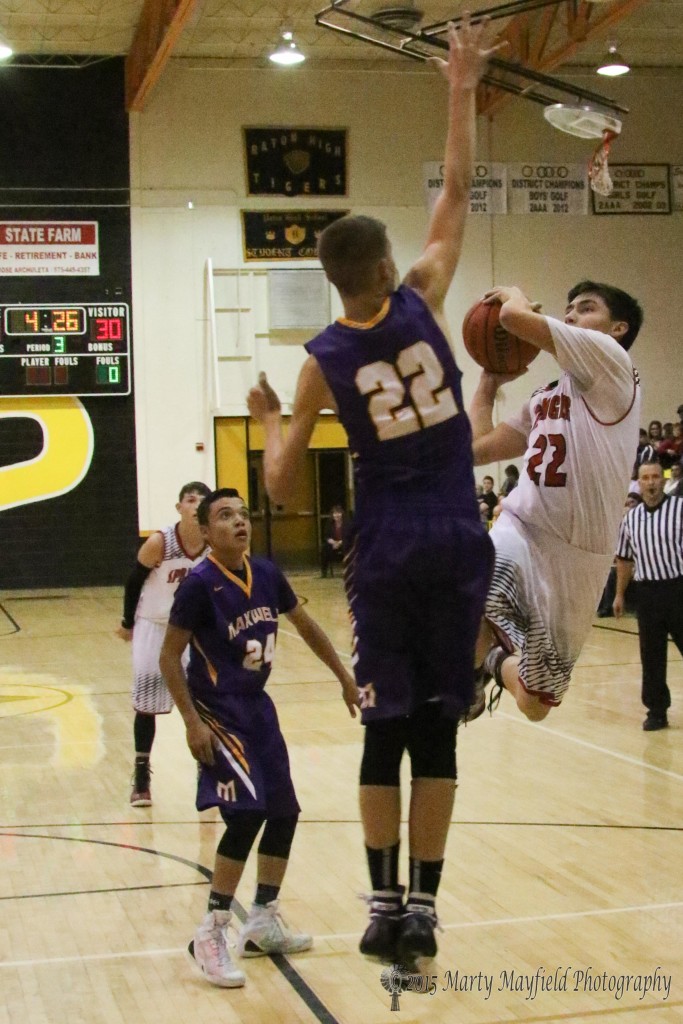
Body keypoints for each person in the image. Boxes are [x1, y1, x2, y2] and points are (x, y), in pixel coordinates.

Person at [246, 17, 498, 972]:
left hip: (384, 542)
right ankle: (425, 911)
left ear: (330, 282)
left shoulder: (319, 363)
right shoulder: (426, 293)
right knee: (438, 728)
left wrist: (272, 420)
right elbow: (458, 191)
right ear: (388, 269)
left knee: (381, 726)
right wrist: (458, 82)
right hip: (456, 532)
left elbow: (279, 483)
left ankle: (382, 901)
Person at [159, 488, 358, 987]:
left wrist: (344, 675)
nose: (239, 523)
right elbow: (168, 657)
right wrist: (190, 721)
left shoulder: (266, 573)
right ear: (205, 532)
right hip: (217, 713)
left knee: (285, 810)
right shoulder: (199, 585)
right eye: (225, 516)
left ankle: (263, 919)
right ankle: (211, 930)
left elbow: (306, 626)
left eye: (243, 514)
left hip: (257, 710)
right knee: (246, 816)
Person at [468, 279, 643, 721]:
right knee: (464, 599)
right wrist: (489, 380)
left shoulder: (613, 363)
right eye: (568, 309)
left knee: (535, 703)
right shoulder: (546, 396)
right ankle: (457, 680)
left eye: (585, 309)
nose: (571, 315)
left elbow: (511, 317)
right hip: (521, 527)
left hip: (579, 555)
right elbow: (476, 448)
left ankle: (490, 664)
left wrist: (513, 294)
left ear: (618, 328)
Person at [116, 480, 211, 806]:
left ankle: (207, 769)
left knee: (203, 699)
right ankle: (141, 773)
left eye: (202, 499)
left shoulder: (213, 543)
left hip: (192, 628)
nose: (196, 504)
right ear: (179, 508)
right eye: (190, 499)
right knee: (146, 701)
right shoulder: (161, 541)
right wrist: (128, 623)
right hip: (154, 624)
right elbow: (133, 582)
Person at [614, 461, 683, 731]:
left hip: (678, 588)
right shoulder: (630, 519)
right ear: (639, 483)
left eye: (655, 477)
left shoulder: (679, 509)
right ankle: (656, 710)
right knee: (651, 655)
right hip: (648, 593)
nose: (651, 482)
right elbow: (624, 559)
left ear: (663, 481)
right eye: (646, 478)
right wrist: (619, 595)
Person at [321, 503, 348, 577]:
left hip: (343, 543)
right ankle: (324, 572)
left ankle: (348, 570)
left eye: (339, 513)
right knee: (325, 548)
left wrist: (340, 542)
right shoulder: (329, 523)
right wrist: (333, 542)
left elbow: (348, 536)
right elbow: (326, 536)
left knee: (347, 547)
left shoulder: (347, 523)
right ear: (332, 515)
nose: (337, 515)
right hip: (333, 543)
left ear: (342, 514)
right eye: (335, 513)